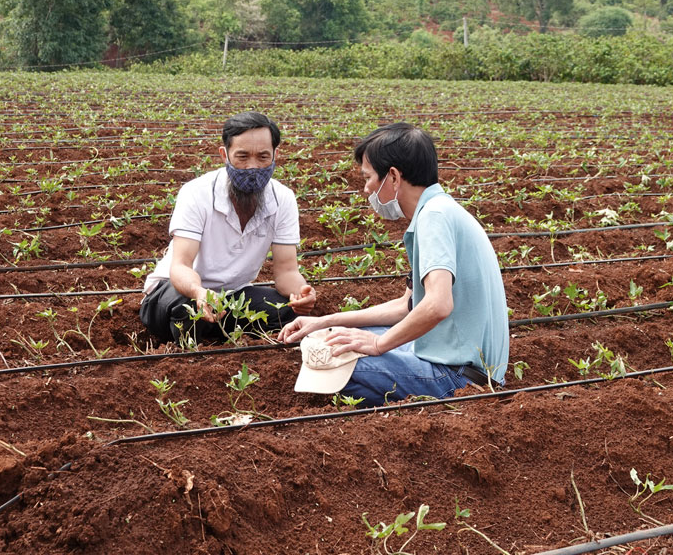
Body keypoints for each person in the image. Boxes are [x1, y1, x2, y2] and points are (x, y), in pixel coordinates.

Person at [279, 122, 509, 406]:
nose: (365, 189)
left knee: (332, 363)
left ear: (394, 177)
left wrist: (378, 345)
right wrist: (325, 322)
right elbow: (408, 307)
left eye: (368, 178)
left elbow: (438, 305)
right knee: (333, 339)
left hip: (459, 377)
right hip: (461, 362)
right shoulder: (440, 209)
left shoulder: (433, 218)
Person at [140, 111, 316, 345]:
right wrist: (200, 293)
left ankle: (217, 332)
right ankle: (201, 343)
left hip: (232, 296)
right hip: (176, 291)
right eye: (242, 157)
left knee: (289, 312)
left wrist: (301, 292)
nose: (253, 167)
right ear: (225, 154)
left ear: (275, 154)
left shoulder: (283, 199)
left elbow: (286, 271)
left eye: (263, 157)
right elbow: (180, 265)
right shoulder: (197, 193)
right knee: (188, 311)